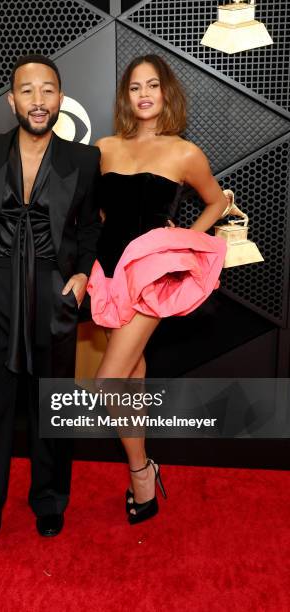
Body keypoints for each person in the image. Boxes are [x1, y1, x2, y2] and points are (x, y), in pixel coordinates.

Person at [0, 54, 101, 564]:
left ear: (61, 99)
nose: (39, 100)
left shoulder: (83, 160)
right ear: (12, 100)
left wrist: (79, 277)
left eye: (48, 90)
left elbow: (88, 228)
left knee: (52, 409)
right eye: (28, 91)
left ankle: (50, 501)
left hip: (53, 294)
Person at [87, 54, 228, 525]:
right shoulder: (104, 147)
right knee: (130, 382)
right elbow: (100, 213)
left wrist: (180, 238)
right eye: (134, 87)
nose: (144, 93)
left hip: (149, 275)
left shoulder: (185, 153)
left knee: (108, 381)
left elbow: (216, 202)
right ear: (125, 97)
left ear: (166, 92)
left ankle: (141, 470)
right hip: (107, 270)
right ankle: (142, 476)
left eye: (152, 85)